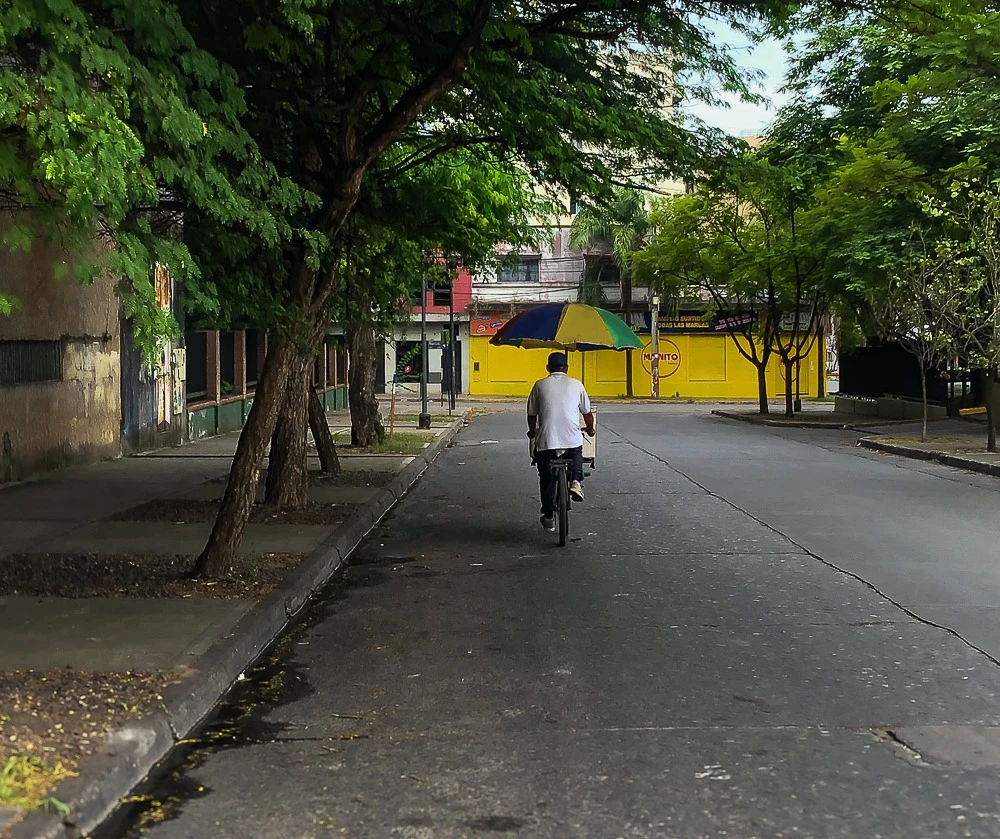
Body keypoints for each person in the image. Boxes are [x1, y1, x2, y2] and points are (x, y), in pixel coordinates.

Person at [526, 351, 596, 532]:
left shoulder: (539, 385)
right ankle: (575, 481)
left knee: (545, 476)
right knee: (576, 451)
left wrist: (532, 432)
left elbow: (532, 414)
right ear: (566, 368)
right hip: (570, 440)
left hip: (547, 442)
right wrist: (590, 429)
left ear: (548, 368)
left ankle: (548, 515)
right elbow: (587, 413)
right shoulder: (576, 384)